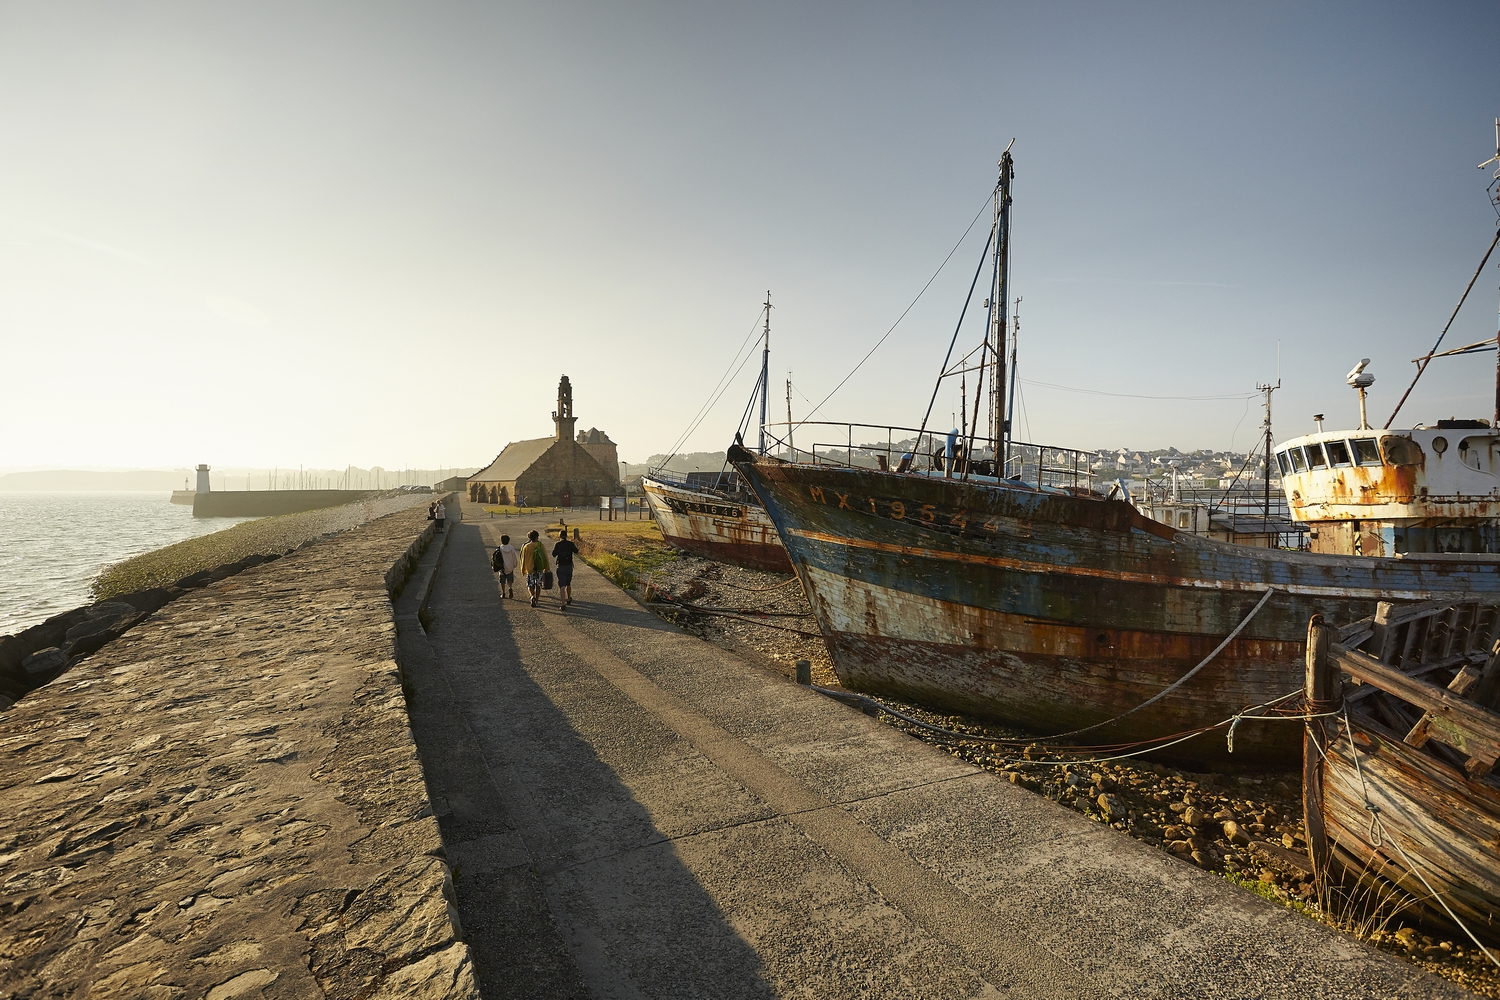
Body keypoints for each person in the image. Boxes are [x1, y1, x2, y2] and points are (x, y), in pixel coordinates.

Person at [519, 529, 548, 607]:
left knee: (530, 584)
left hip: (530, 568)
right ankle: (537, 600)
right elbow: (545, 557)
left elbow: (523, 558)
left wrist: (523, 569)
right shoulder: (541, 545)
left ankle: (532, 596)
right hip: (539, 568)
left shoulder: (526, 546)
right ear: (537, 537)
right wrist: (546, 567)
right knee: (538, 584)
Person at [552, 527, 579, 609]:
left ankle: (563, 603)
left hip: (561, 566)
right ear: (566, 536)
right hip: (569, 566)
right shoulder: (570, 544)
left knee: (562, 585)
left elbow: (553, 554)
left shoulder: (558, 544)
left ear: (559, 536)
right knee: (568, 583)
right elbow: (576, 551)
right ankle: (568, 598)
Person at [493, 533, 519, 598]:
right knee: (510, 579)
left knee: (502, 581)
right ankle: (510, 587)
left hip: (502, 568)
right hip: (510, 566)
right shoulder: (511, 548)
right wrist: (515, 564)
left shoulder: (500, 549)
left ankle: (503, 593)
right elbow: (514, 557)